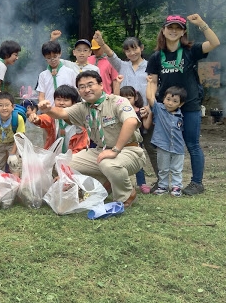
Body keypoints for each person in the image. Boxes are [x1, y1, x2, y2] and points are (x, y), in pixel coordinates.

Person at [38, 70, 144, 207]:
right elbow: (62, 113)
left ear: (101, 85)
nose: (86, 89)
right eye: (81, 87)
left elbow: (131, 122)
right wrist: (48, 109)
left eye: (90, 84)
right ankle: (95, 187)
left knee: (108, 164)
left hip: (129, 150)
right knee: (63, 163)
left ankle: (126, 195)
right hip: (101, 151)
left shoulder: (117, 101)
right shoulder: (83, 108)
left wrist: (115, 150)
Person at [146, 14, 220, 195]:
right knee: (163, 145)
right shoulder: (156, 57)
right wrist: (154, 104)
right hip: (166, 108)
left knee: (192, 144)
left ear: (183, 32)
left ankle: (196, 183)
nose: (173, 30)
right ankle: (163, 183)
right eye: (170, 27)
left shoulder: (191, 50)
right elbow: (152, 82)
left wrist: (202, 23)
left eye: (177, 28)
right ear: (163, 30)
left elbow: (214, 42)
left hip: (190, 105)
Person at [92, 31, 159, 183]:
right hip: (126, 116)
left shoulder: (150, 66)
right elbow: (111, 55)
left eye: (134, 48)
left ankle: (161, 181)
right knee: (131, 148)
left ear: (141, 48)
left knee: (151, 148)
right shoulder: (122, 66)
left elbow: (156, 88)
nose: (132, 52)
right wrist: (101, 43)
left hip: (146, 113)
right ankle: (135, 182)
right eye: (128, 50)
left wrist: (149, 107)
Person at [144, 77, 187, 197]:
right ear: (163, 99)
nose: (170, 103)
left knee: (177, 169)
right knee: (163, 168)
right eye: (168, 99)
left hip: (178, 147)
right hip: (163, 145)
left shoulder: (180, 116)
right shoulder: (159, 110)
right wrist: (150, 82)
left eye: (174, 101)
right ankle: (162, 186)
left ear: (181, 104)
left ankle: (176, 186)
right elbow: (150, 98)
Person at [28, 85, 88, 154]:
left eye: (66, 100)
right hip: (54, 156)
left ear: (74, 103)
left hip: (73, 157)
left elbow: (81, 146)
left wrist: (69, 160)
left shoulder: (81, 121)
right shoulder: (54, 116)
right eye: (58, 99)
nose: (61, 103)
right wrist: (37, 119)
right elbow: (45, 118)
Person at [0, 92, 24, 175]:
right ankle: (0, 183)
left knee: (14, 164)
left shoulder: (18, 119)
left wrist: (12, 153)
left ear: (12, 107)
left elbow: (19, 137)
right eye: (1, 105)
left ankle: (16, 184)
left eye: (7, 105)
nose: (4, 108)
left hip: (13, 142)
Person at [120, 86, 150, 193]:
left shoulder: (140, 111)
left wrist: (149, 114)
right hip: (123, 141)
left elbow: (146, 126)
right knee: (122, 163)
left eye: (129, 98)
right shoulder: (119, 111)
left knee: (138, 163)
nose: (126, 101)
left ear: (135, 97)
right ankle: (125, 184)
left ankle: (142, 183)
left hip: (137, 142)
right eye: (122, 98)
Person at [37, 40, 77, 105]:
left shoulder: (70, 72)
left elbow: (75, 93)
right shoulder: (43, 75)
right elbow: (41, 95)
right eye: (49, 58)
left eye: (55, 57)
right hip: (50, 110)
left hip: (67, 110)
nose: (52, 60)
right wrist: (43, 106)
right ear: (45, 57)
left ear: (60, 53)